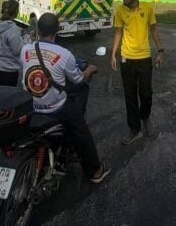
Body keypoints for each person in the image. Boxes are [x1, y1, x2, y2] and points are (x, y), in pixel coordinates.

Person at [20, 12, 111, 184]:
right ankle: (95, 171)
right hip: (56, 108)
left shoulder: (25, 49)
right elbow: (78, 79)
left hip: (30, 105)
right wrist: (90, 69)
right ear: (58, 30)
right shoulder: (64, 54)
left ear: (38, 30)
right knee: (81, 131)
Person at [111, 0, 164, 145]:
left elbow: (154, 30)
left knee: (146, 93)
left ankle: (145, 117)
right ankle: (134, 129)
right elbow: (118, 33)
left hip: (144, 58)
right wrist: (113, 54)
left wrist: (161, 51)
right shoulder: (120, 10)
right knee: (130, 95)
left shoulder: (147, 8)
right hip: (127, 59)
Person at [0, 0, 28, 88]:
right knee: (6, 98)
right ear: (16, 12)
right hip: (7, 71)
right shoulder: (13, 29)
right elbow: (17, 50)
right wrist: (26, 40)